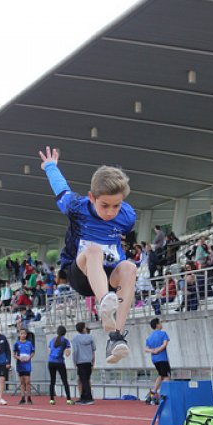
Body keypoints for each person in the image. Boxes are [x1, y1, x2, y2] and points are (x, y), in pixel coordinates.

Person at [39, 146, 136, 364]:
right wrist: (51, 166)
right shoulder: (76, 207)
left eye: (116, 206)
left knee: (130, 267)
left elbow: (127, 237)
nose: (111, 212)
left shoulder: (128, 216)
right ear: (92, 197)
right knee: (93, 250)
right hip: (80, 273)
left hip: (108, 275)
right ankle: (104, 303)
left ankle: (116, 337)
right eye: (105, 206)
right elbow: (60, 188)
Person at [145, 318, 171, 404]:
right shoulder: (163, 333)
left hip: (155, 360)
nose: (161, 324)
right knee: (167, 376)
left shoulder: (150, 337)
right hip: (162, 358)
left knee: (161, 375)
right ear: (157, 324)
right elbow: (165, 344)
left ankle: (153, 392)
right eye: (160, 322)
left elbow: (146, 349)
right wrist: (158, 350)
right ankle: (164, 394)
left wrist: (153, 351)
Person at [47, 325, 73, 405]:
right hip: (59, 362)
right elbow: (68, 352)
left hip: (51, 361)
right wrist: (67, 353)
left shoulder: (52, 340)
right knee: (64, 380)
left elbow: (50, 349)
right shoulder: (65, 340)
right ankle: (68, 399)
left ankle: (51, 399)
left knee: (52, 381)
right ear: (65, 333)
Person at [72, 322, 96, 405]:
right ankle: (83, 397)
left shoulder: (75, 339)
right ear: (83, 329)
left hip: (80, 361)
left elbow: (75, 351)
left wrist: (74, 361)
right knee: (86, 379)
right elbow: (93, 350)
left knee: (83, 380)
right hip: (88, 361)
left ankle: (89, 398)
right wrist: (93, 361)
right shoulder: (90, 337)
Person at [13, 328, 35, 405]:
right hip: (20, 364)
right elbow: (14, 354)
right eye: (21, 333)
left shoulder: (29, 343)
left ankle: (29, 397)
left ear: (26, 335)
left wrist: (29, 357)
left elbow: (32, 352)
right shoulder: (16, 344)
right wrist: (19, 358)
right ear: (19, 334)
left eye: (24, 334)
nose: (23, 335)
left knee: (28, 381)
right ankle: (22, 397)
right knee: (22, 382)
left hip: (27, 365)